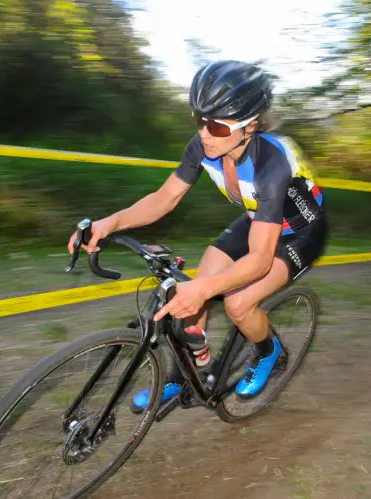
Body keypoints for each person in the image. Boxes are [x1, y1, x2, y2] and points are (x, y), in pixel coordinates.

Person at [67, 60, 328, 412]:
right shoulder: (205, 146)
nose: (205, 132)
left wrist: (205, 289)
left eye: (217, 126)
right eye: (199, 119)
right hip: (258, 219)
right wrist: (109, 223)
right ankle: (180, 377)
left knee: (237, 303)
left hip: (301, 232)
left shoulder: (270, 163)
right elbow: (164, 198)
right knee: (197, 288)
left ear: (249, 126)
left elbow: (261, 259)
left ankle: (270, 352)